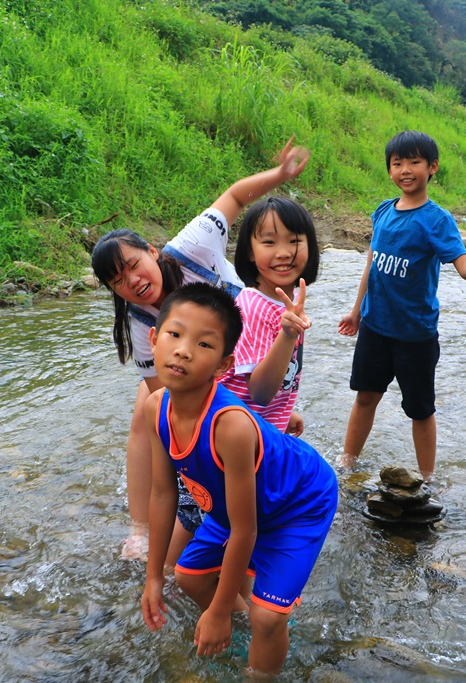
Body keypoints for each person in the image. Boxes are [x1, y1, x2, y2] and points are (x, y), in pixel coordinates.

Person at [91, 138, 310, 562]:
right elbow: (170, 394)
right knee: (147, 401)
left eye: (135, 265)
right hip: (213, 380)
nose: (133, 281)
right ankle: (144, 527)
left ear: (152, 252)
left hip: (257, 345)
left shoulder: (191, 247)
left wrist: (279, 176)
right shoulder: (140, 323)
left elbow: (232, 196)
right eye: (119, 281)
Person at [141, 283, 337, 678]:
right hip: (240, 506)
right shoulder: (155, 407)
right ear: (153, 339)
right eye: (174, 335)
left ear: (223, 366)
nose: (183, 350)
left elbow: (246, 531)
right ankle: (256, 624)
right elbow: (163, 494)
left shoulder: (229, 426)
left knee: (267, 618)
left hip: (299, 500)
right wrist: (152, 576)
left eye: (204, 344)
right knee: (189, 578)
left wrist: (217, 611)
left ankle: (266, 641)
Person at [337, 130, 466, 480]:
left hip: (414, 334)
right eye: (397, 163)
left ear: (431, 168)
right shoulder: (383, 211)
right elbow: (371, 265)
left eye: (414, 162)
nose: (405, 169)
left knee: (420, 410)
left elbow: (464, 269)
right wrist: (356, 311)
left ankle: (427, 479)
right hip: (374, 326)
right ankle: (347, 463)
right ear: (389, 169)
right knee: (365, 397)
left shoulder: (437, 220)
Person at [218, 196, 320, 437]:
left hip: (261, 426)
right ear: (250, 253)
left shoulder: (289, 297)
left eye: (294, 241)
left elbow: (273, 383)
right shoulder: (252, 306)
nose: (283, 253)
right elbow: (260, 393)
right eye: (269, 242)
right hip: (234, 435)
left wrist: (283, 412)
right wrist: (287, 335)